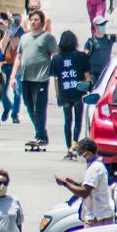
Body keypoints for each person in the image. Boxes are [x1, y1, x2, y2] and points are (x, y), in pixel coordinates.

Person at [12, 10, 58, 148]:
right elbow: (19, 58)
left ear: (42, 22)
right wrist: (13, 76)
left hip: (41, 78)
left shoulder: (47, 38)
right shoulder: (24, 38)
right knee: (28, 105)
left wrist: (55, 74)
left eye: (37, 19)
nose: (33, 22)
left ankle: (41, 136)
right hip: (26, 78)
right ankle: (40, 132)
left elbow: (55, 55)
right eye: (31, 19)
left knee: (39, 108)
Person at [50, 30, 92, 159]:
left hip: (65, 93)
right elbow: (86, 75)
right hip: (79, 92)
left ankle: (69, 147)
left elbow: (56, 79)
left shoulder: (56, 58)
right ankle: (75, 142)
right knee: (78, 120)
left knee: (67, 121)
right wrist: (89, 89)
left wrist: (58, 95)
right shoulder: (81, 56)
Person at [56, 138, 115, 226]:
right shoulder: (96, 166)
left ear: (87, 153)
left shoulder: (94, 168)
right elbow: (88, 186)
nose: (79, 155)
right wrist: (73, 183)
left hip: (97, 218)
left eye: (80, 153)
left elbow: (84, 192)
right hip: (100, 215)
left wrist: (66, 184)